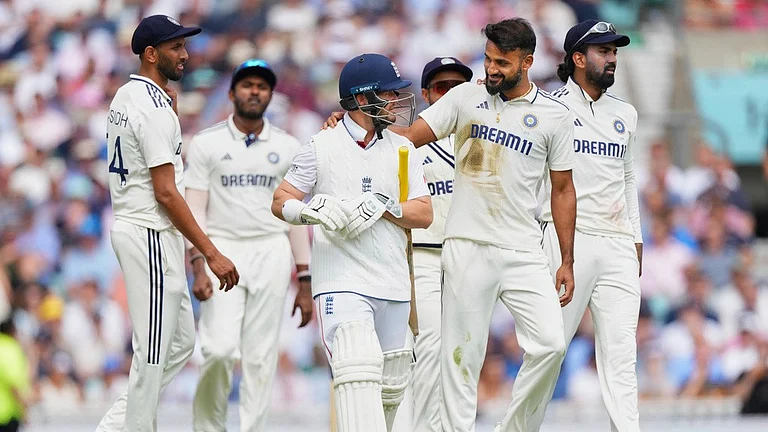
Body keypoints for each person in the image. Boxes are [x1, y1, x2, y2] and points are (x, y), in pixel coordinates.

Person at [326, 19, 577, 431]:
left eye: (502, 62)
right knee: (461, 360)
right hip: (466, 246)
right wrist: (354, 123)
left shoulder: (554, 116)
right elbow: (406, 138)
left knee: (551, 345)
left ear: (527, 61)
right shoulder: (465, 97)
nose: (491, 69)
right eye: (488, 58)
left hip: (523, 249)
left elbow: (563, 190)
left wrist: (566, 260)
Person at [272, 53, 433, 432]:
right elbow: (281, 201)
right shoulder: (320, 145)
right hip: (341, 281)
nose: (396, 102)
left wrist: (383, 206)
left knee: (391, 387)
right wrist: (312, 212)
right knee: (356, 369)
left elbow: (424, 213)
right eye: (388, 95)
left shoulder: (402, 148)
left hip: (393, 283)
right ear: (362, 99)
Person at [97, 15, 239, 432]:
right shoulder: (153, 105)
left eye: (184, 45)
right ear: (151, 54)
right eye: (176, 47)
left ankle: (116, 426)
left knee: (179, 343)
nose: (185, 54)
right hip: (149, 232)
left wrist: (169, 110)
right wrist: (210, 253)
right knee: (154, 350)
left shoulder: (128, 95)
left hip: (142, 227)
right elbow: (166, 191)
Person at [185, 59, 313, 432]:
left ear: (271, 95)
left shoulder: (288, 146)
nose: (254, 91)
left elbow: (294, 218)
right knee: (219, 350)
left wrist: (304, 281)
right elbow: (195, 210)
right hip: (221, 249)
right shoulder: (207, 144)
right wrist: (198, 264)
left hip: (271, 249)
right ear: (231, 93)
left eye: (262, 86)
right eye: (247, 85)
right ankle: (209, 427)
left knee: (260, 357)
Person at [539, 20, 643, 431]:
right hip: (569, 240)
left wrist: (635, 235)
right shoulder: (551, 107)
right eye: (603, 51)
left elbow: (628, 177)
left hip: (617, 242)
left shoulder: (626, 113)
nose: (612, 58)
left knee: (622, 356)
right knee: (549, 349)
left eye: (615, 51)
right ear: (578, 58)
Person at [407, 56, 473, 432]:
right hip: (425, 254)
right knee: (430, 346)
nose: (449, 93)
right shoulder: (410, 140)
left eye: (457, 86)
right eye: (440, 87)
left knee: (464, 352)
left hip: (469, 254)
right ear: (426, 94)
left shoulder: (484, 132)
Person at [0, 319, 30, 432]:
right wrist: (24, 410)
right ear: (12, 332)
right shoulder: (11, 350)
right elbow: (13, 385)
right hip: (6, 416)